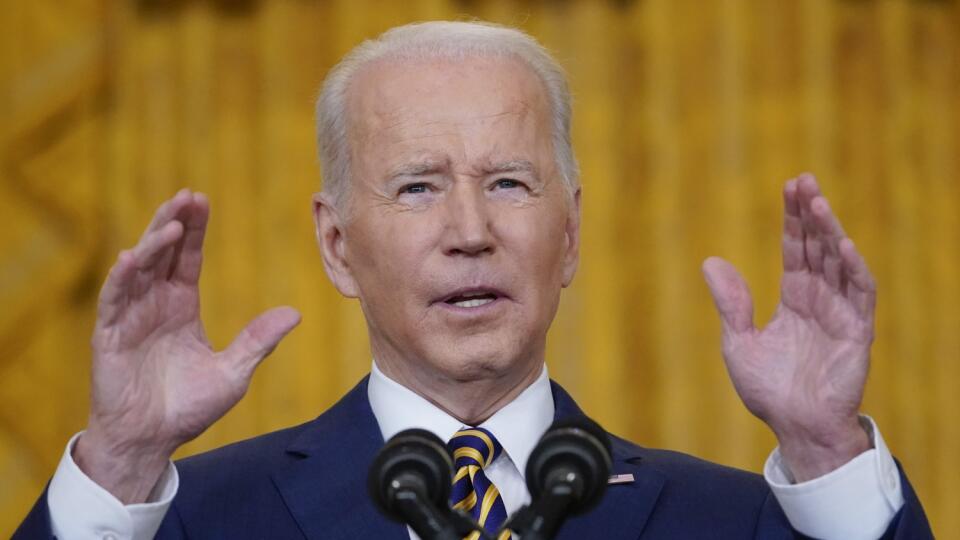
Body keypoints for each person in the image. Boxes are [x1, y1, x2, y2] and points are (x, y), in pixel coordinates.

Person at [16, 21, 931, 540]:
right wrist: (125, 463)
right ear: (338, 246)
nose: (470, 232)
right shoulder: (191, 521)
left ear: (568, 235)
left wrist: (826, 453)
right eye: (417, 187)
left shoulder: (733, 524)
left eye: (508, 184)